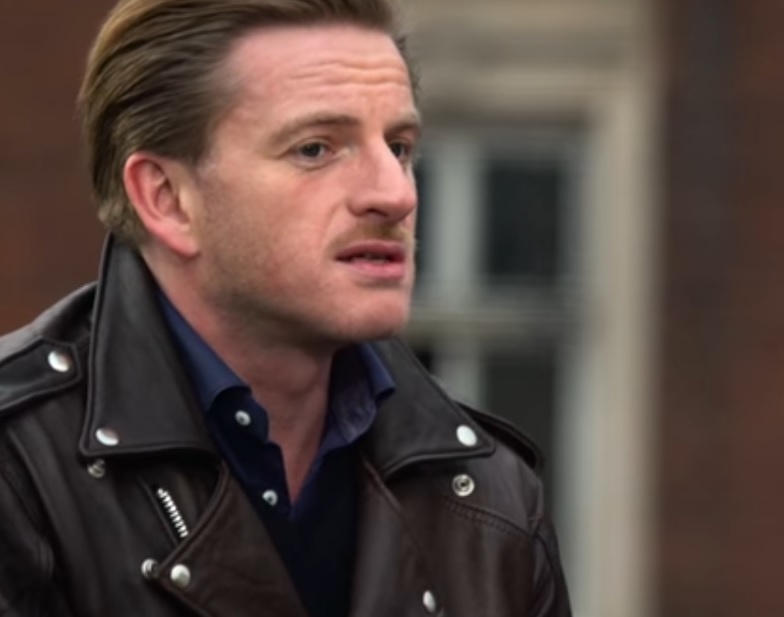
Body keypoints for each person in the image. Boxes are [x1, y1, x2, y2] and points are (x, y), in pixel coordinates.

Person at [0, 0, 572, 615]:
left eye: (399, 147)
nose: (395, 193)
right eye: (315, 149)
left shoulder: (488, 498)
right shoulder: (20, 466)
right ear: (167, 198)